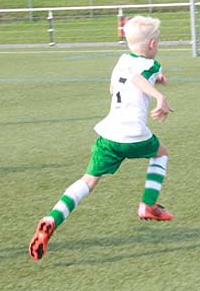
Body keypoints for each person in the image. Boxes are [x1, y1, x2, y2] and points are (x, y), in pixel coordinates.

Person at [29, 15, 174, 261]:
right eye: (157, 42)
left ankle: (52, 219)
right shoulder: (151, 64)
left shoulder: (122, 60)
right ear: (152, 44)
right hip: (133, 134)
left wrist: (154, 80)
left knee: (88, 180)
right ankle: (148, 205)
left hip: (109, 133)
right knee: (161, 153)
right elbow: (138, 78)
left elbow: (115, 86)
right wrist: (158, 96)